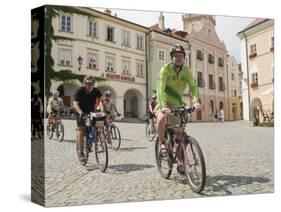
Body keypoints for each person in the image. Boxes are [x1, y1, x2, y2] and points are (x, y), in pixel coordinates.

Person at [155, 44, 201, 174]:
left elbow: (193, 86)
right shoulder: (165, 70)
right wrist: (163, 106)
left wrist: (196, 100)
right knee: (161, 118)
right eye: (176, 56)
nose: (179, 58)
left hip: (177, 104)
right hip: (163, 102)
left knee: (180, 135)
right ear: (171, 58)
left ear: (184, 58)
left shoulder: (186, 71)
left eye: (181, 56)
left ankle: (181, 164)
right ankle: (162, 142)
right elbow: (160, 88)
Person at [73, 75, 105, 162]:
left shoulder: (96, 91)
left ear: (94, 84)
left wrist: (104, 110)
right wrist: (81, 113)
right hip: (81, 112)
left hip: (91, 112)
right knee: (81, 130)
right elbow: (75, 104)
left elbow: (103, 100)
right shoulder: (80, 91)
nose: (89, 85)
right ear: (85, 83)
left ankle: (94, 139)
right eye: (88, 83)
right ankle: (81, 153)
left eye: (91, 84)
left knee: (98, 124)